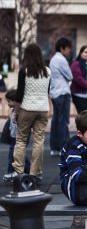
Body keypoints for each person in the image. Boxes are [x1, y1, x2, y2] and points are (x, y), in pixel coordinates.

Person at [12, 43, 51, 181]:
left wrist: (15, 112)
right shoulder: (47, 71)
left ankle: (18, 171)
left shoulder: (24, 70)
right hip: (42, 109)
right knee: (38, 141)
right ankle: (36, 173)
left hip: (27, 108)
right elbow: (47, 92)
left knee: (21, 140)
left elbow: (20, 93)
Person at [49, 37, 73, 156]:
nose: (69, 51)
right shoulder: (61, 60)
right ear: (62, 48)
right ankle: (64, 147)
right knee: (63, 121)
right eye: (68, 48)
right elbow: (70, 76)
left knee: (56, 121)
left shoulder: (53, 59)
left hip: (54, 93)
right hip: (62, 93)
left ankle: (54, 148)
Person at [2, 89, 30, 181]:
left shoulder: (21, 111)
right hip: (15, 136)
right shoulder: (15, 110)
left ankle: (11, 172)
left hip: (19, 136)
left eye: (9, 101)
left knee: (14, 154)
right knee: (18, 154)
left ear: (16, 101)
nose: (8, 103)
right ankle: (28, 170)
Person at [70, 45, 87, 114]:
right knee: (83, 116)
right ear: (81, 53)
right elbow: (79, 79)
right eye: (86, 52)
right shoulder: (76, 64)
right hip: (80, 95)